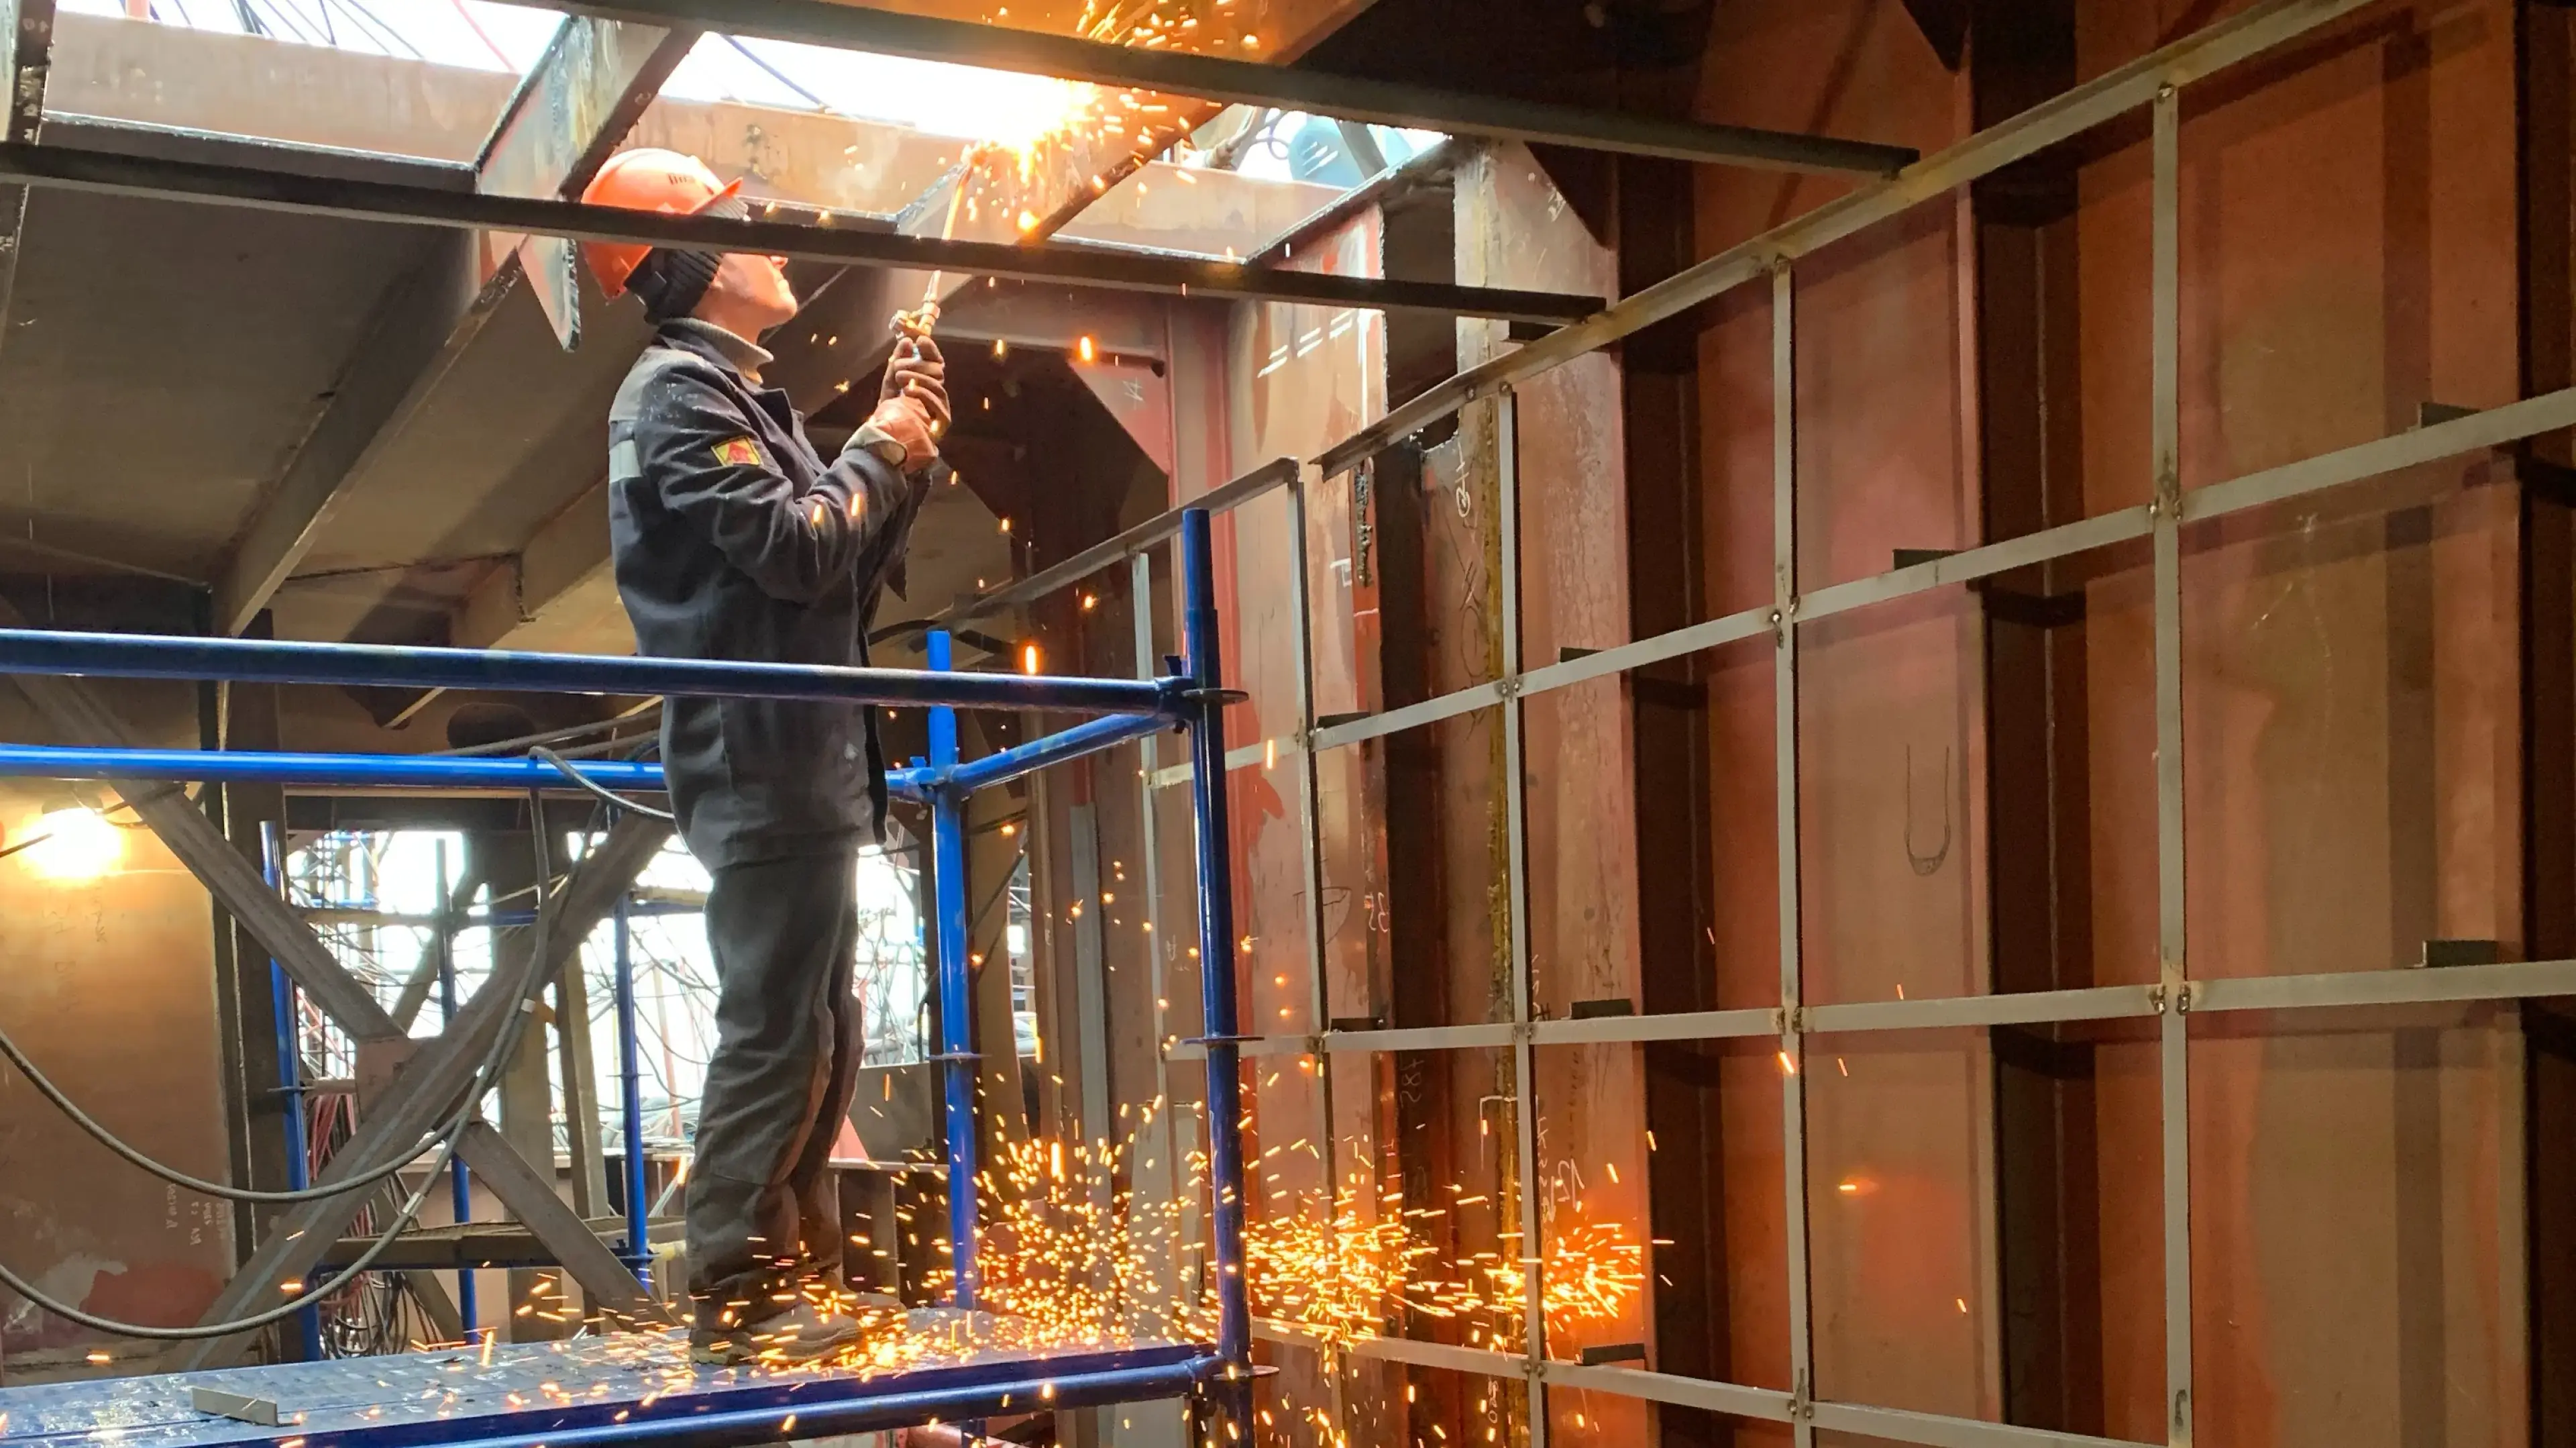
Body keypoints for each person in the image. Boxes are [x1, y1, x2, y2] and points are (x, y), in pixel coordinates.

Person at [579, 148, 949, 1365]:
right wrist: (878, 451)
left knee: (821, 1028)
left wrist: (907, 448)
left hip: (813, 759)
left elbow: (841, 559)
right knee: (775, 1027)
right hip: (761, 760)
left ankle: (770, 1274)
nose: (776, 248)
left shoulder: (745, 402)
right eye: (747, 232)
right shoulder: (672, 397)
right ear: (692, 266)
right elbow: (796, 553)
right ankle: (733, 1289)